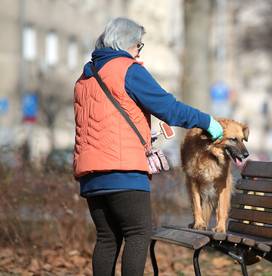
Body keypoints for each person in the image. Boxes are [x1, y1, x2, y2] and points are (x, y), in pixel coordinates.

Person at [73, 17, 223, 276]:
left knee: (108, 239)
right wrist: (206, 121)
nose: (139, 52)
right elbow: (169, 108)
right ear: (127, 44)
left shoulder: (86, 77)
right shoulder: (128, 70)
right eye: (139, 46)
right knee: (138, 233)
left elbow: (103, 124)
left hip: (91, 175)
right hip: (123, 172)